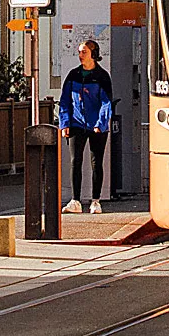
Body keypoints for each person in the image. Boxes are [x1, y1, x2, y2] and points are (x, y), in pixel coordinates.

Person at [58, 39, 113, 214]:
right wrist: (64, 123)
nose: (80, 55)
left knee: (96, 162)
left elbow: (106, 102)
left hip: (97, 126)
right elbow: (65, 100)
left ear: (93, 54)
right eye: (80, 52)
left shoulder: (102, 76)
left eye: (84, 52)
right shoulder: (73, 75)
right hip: (76, 123)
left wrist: (101, 123)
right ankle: (75, 200)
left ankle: (95, 201)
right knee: (75, 161)